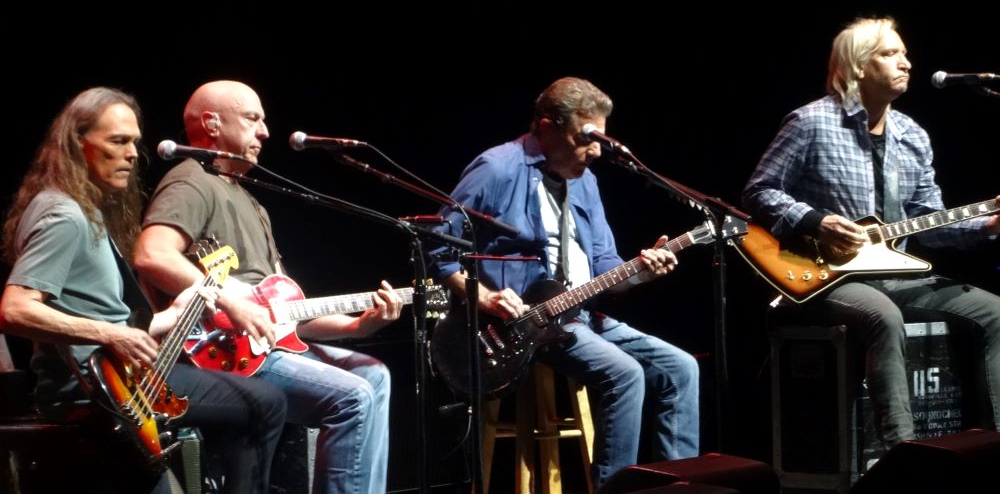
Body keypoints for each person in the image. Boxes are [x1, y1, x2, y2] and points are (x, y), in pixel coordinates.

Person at [0, 87, 287, 494]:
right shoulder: (63, 215)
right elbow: (15, 310)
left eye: (134, 141)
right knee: (266, 403)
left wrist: (175, 314)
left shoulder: (84, 211)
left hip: (123, 380)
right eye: (118, 141)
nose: (134, 154)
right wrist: (113, 333)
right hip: (95, 391)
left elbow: (104, 317)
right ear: (76, 144)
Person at [132, 80, 403, 494]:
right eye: (253, 119)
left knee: (375, 374)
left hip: (269, 344)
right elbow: (152, 256)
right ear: (212, 123)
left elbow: (285, 313)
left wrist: (357, 328)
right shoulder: (191, 182)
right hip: (222, 352)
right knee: (354, 397)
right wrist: (229, 302)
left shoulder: (252, 204)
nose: (265, 132)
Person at [429, 77, 701, 488]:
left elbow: (606, 266)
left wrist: (642, 270)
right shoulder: (497, 168)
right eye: (584, 138)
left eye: (601, 140)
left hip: (581, 314)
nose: (594, 151)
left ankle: (681, 488)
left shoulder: (586, 181)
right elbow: (437, 248)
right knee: (625, 375)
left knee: (680, 368)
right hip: (518, 325)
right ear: (546, 127)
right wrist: (484, 297)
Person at [742, 17, 1000, 448]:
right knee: (883, 316)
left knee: (995, 312)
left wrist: (990, 224)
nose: (907, 63)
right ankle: (903, 452)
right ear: (858, 66)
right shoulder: (811, 122)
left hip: (892, 272)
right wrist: (816, 222)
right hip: (820, 275)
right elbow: (759, 190)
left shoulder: (912, 135)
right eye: (890, 54)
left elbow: (930, 223)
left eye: (904, 53)